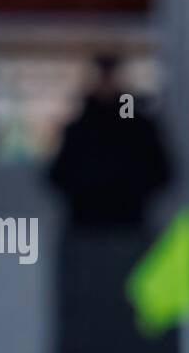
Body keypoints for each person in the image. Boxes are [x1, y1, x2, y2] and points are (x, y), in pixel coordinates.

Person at [47, 54, 172, 231]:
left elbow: (161, 172)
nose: (106, 85)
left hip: (124, 224)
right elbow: (58, 175)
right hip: (89, 224)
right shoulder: (81, 128)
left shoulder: (137, 129)